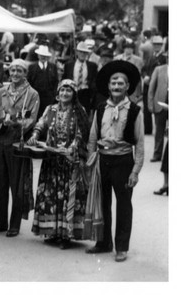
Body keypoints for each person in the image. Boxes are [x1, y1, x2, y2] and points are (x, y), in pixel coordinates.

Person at [86, 60, 144, 262]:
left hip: (123, 161)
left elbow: (140, 144)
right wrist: (91, 161)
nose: (116, 87)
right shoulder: (101, 108)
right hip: (103, 161)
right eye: (113, 83)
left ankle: (121, 247)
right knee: (102, 203)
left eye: (120, 83)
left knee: (124, 204)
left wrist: (135, 171)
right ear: (109, 86)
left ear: (127, 86)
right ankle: (103, 243)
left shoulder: (135, 111)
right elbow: (93, 137)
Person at [27, 79, 90, 249]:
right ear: (58, 93)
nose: (64, 94)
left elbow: (81, 134)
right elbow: (41, 124)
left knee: (67, 197)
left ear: (74, 94)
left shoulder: (79, 111)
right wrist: (35, 135)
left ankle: (66, 235)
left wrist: (72, 148)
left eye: (68, 91)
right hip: (52, 160)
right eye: (62, 90)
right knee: (51, 196)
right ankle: (53, 232)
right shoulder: (50, 109)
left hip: (70, 161)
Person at [0, 59, 39, 237]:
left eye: (19, 71)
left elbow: (31, 120)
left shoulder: (32, 94)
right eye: (13, 70)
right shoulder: (1, 91)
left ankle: (14, 224)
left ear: (25, 74)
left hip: (17, 141)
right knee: (0, 183)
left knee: (17, 184)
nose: (15, 74)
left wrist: (15, 123)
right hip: (0, 140)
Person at [63, 41, 98, 116]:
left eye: (84, 52)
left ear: (87, 54)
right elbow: (64, 80)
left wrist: (92, 93)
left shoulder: (92, 66)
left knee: (84, 115)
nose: (82, 54)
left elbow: (95, 81)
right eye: (81, 52)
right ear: (77, 52)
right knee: (70, 114)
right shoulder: (69, 65)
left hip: (85, 94)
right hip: (72, 92)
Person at [147, 42, 168, 163]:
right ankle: (157, 154)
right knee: (159, 131)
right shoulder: (159, 69)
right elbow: (151, 88)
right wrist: (150, 104)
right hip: (160, 104)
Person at [27, 45, 59, 120]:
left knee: (48, 118)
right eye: (41, 55)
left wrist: (54, 95)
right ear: (38, 55)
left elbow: (56, 82)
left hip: (49, 98)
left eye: (45, 55)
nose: (43, 57)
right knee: (36, 117)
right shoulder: (32, 67)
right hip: (36, 98)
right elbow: (29, 82)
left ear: (47, 56)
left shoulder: (53, 67)